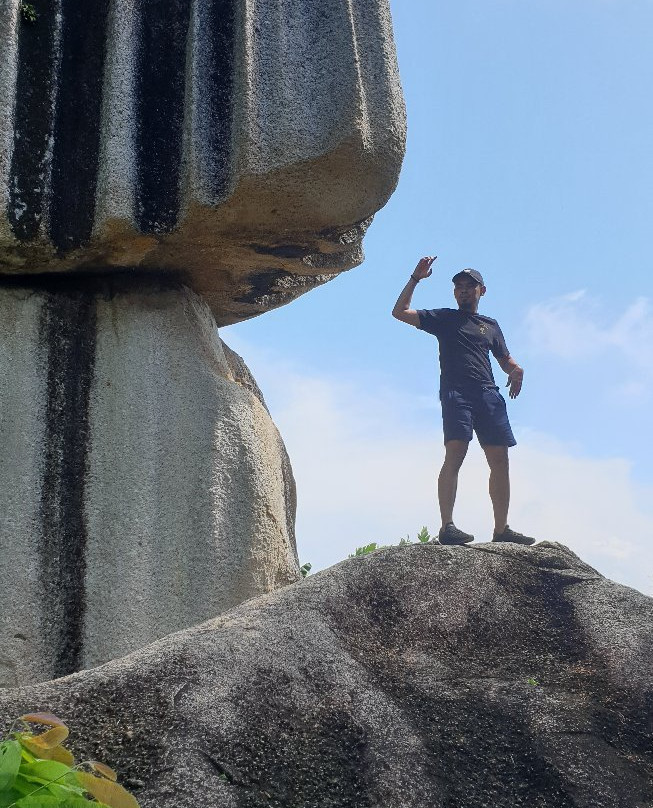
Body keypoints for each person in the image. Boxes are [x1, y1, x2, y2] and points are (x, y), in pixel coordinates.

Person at [392, 255, 535, 546]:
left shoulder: (490, 325)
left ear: (482, 290)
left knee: (500, 461)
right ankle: (447, 527)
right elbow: (400, 312)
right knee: (455, 454)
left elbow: (504, 358)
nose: (463, 290)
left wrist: (516, 369)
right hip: (457, 393)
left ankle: (501, 529)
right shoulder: (444, 318)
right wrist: (415, 278)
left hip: (488, 393)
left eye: (470, 286)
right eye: (458, 286)